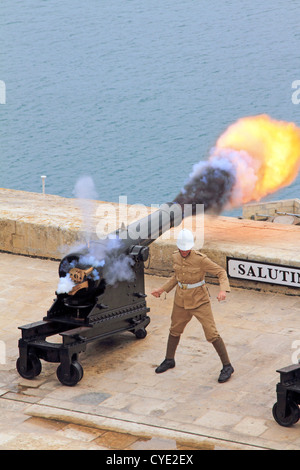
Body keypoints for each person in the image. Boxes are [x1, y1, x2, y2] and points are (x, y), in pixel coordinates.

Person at [151, 228, 234, 383]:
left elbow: (221, 272)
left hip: (199, 301)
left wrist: (223, 290)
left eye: (186, 249)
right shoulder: (175, 256)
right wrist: (162, 290)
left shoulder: (200, 259)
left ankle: (227, 366)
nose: (183, 252)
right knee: (175, 329)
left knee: (211, 333)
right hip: (181, 300)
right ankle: (169, 359)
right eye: (181, 249)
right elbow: (177, 277)